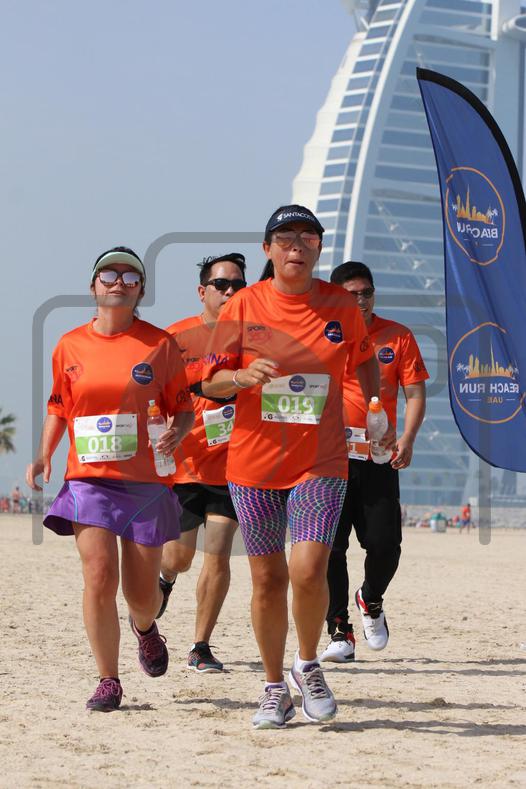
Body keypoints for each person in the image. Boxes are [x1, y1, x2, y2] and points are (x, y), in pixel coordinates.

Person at [201, 205, 380, 729]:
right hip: (254, 463)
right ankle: (274, 687)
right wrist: (242, 378)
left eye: (307, 236)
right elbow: (209, 382)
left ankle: (307, 664)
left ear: (319, 248)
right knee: (266, 578)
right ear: (268, 250)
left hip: (320, 460)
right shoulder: (243, 305)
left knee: (307, 570)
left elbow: (364, 358)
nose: (296, 245)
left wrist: (375, 411)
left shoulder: (339, 305)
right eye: (285, 237)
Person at [26, 246, 194, 712]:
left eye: (130, 277)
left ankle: (145, 627)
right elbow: (59, 406)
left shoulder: (160, 345)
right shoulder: (69, 345)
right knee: (99, 575)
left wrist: (177, 434)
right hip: (90, 479)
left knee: (141, 595)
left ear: (141, 290)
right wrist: (43, 455)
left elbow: (183, 408)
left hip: (144, 482)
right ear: (93, 286)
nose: (119, 282)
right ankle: (108, 679)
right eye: (109, 274)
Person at [320, 261, 428, 664]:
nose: (361, 301)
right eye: (351, 295)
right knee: (330, 548)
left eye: (366, 293)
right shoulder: (320, 335)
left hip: (378, 455)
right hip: (328, 458)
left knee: (385, 545)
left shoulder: (397, 336)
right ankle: (339, 630)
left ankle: (371, 597)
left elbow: (415, 394)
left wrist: (408, 438)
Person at [159, 252, 247, 673]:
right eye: (221, 285)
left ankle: (200, 646)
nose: (230, 292)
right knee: (178, 557)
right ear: (202, 291)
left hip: (234, 465)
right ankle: (165, 579)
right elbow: (151, 392)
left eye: (238, 286)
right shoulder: (176, 337)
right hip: (185, 464)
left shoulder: (254, 338)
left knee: (219, 553)